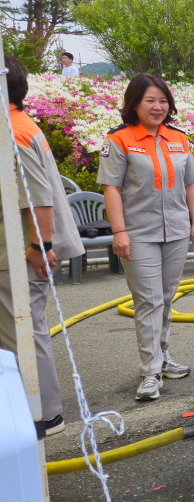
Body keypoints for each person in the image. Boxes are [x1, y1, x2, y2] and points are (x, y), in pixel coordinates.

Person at [97, 74, 194, 401]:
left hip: (176, 231)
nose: (158, 107)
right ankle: (150, 372)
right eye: (150, 101)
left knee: (166, 297)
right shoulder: (119, 139)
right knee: (148, 300)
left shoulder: (179, 138)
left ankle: (162, 356)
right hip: (137, 233)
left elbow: (191, 184)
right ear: (134, 104)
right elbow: (111, 189)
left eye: (163, 101)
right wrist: (119, 231)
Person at [0, 55, 84, 436]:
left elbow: (40, 198)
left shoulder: (13, 131)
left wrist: (39, 245)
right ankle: (36, 411)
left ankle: (44, 415)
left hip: (20, 253)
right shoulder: (17, 124)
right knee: (23, 330)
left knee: (23, 333)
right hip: (19, 250)